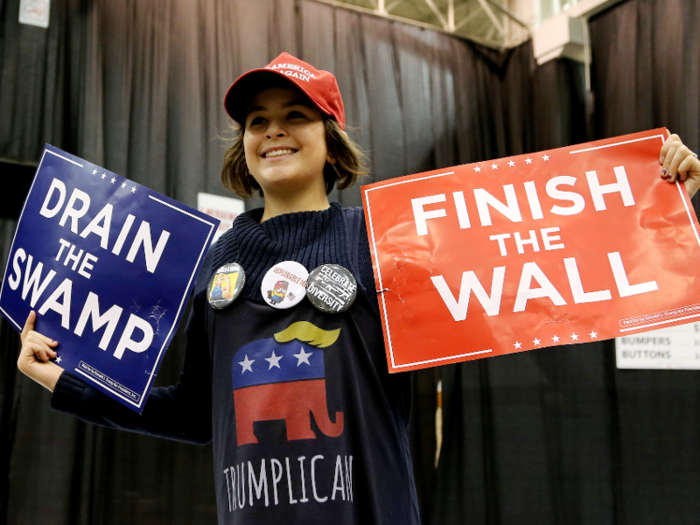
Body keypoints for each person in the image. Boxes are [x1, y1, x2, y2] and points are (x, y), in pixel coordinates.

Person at [15, 52, 700, 525]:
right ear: (243, 146)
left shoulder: (387, 239)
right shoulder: (215, 262)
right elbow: (196, 412)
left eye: (296, 115)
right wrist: (64, 381)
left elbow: (526, 274)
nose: (274, 129)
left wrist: (656, 200)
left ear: (330, 140)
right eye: (257, 119)